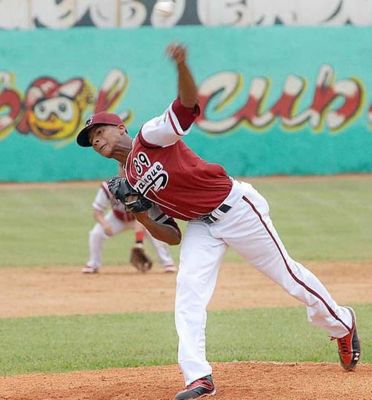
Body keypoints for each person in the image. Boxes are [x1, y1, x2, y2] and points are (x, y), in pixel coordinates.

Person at [76, 43, 360, 400]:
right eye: (91, 139)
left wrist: (182, 65)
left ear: (120, 127)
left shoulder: (151, 137)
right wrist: (139, 214)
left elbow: (186, 107)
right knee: (188, 292)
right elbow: (172, 236)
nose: (97, 139)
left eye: (100, 131)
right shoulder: (127, 180)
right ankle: (199, 377)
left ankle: (342, 323)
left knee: (288, 276)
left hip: (236, 208)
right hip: (201, 226)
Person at [82, 180, 177, 274]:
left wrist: (139, 243)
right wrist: (105, 225)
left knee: (156, 231)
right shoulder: (108, 187)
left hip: (139, 217)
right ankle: (93, 264)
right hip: (116, 218)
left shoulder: (140, 184)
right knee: (96, 233)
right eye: (121, 167)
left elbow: (143, 217)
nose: (123, 169)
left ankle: (167, 262)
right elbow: (97, 212)